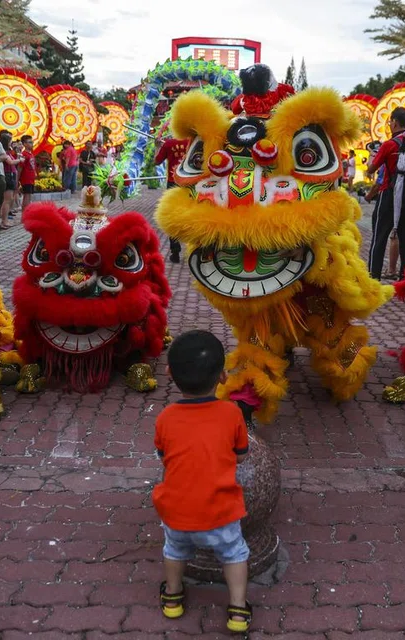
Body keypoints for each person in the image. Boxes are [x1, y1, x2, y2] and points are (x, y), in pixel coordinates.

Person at [153, 330, 252, 634]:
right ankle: (237, 610)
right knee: (235, 553)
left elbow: (163, 455)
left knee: (174, 549)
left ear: (170, 373)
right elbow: (242, 455)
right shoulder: (231, 413)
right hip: (220, 511)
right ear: (222, 376)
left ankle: (172, 597)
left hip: (177, 512)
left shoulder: (165, 417)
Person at [366, 107, 405, 280]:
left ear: (394, 122)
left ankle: (373, 276)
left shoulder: (389, 144)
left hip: (389, 195)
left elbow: (371, 170)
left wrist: (373, 157)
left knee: (380, 236)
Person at [155, 137, 189, 263]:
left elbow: (157, 161)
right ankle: (193, 249)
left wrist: (157, 146)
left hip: (172, 183)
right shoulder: (191, 141)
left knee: (172, 216)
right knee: (190, 214)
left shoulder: (168, 144)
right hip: (189, 183)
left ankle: (175, 252)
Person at [0, 131, 23, 228]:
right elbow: (10, 162)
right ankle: (4, 220)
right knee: (7, 200)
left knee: (10, 199)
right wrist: (20, 160)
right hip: (8, 175)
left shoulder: (9, 151)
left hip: (11, 174)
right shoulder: (4, 152)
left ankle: (5, 219)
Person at [18, 135, 37, 211]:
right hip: (26, 179)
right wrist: (17, 179)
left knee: (29, 197)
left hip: (31, 178)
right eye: (29, 142)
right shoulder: (24, 154)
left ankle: (27, 214)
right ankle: (24, 215)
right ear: (24, 144)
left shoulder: (31, 154)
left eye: (32, 142)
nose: (31, 144)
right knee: (26, 197)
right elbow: (20, 167)